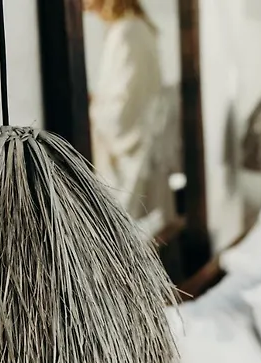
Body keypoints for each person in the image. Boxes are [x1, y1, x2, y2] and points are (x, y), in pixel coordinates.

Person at [86, 0, 164, 220]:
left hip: (129, 157)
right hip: (137, 150)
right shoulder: (136, 29)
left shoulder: (126, 33)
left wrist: (92, 108)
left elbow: (123, 112)